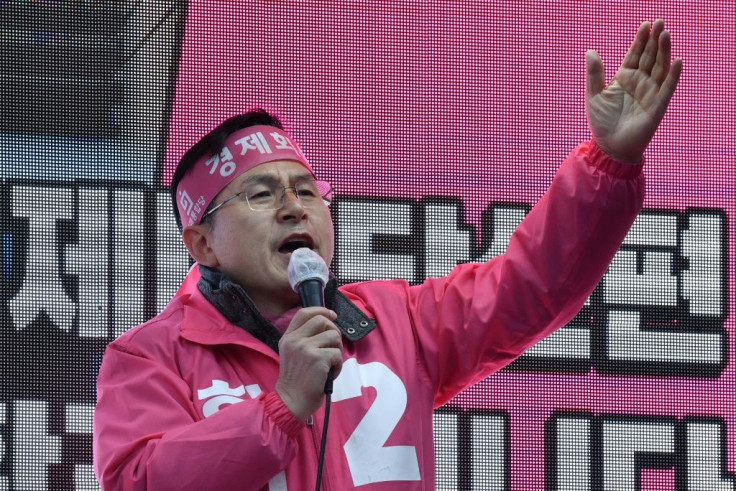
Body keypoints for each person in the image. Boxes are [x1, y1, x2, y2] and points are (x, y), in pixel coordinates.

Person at [93, 20, 682, 490]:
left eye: (306, 190)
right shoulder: (150, 359)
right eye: (261, 194)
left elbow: (529, 286)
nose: (295, 208)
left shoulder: (395, 320)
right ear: (201, 243)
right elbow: (138, 482)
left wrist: (608, 162)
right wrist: (282, 406)